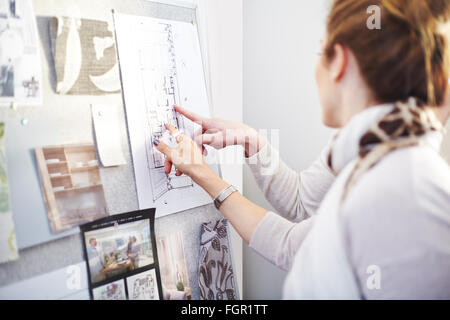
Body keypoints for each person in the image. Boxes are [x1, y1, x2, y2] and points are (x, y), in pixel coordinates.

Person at [154, 0, 450, 299]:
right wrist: (251, 141)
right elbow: (301, 202)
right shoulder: (368, 153)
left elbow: (291, 246)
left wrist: (205, 176)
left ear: (340, 62)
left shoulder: (402, 187)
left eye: (322, 52)